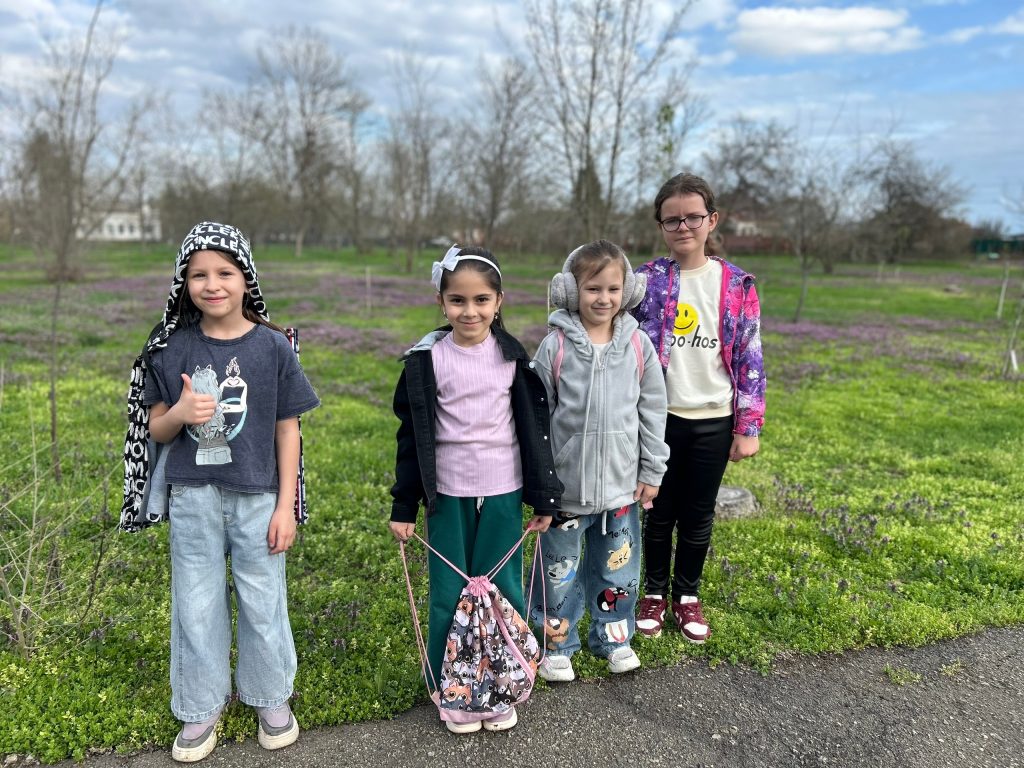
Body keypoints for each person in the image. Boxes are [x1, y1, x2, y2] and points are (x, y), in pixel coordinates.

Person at [125, 221, 319, 762]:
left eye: (225, 272)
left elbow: (288, 430)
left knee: (263, 597)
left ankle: (271, 697)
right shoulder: (170, 348)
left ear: (246, 277)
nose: (212, 284)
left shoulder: (273, 347)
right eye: (198, 275)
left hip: (259, 497)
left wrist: (286, 507)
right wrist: (181, 413)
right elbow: (155, 427)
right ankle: (200, 704)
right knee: (196, 601)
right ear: (182, 282)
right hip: (193, 496)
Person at [389, 245, 562, 735]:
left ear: (499, 301)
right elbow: (410, 438)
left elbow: (535, 433)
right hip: (447, 495)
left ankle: (502, 687)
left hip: (503, 491)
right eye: (458, 300)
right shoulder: (425, 361)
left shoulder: (513, 360)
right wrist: (404, 504)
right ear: (441, 302)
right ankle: (454, 692)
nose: (470, 311)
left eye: (482, 300)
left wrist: (544, 497)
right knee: (450, 592)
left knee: (503, 589)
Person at [631, 173, 765, 643]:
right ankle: (653, 592)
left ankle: (686, 596)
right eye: (672, 219)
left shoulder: (737, 284)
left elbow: (749, 356)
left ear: (712, 220)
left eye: (693, 217)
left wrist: (748, 425)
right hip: (659, 419)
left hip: (713, 418)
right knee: (658, 511)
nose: (683, 226)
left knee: (698, 514)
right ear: (661, 225)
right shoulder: (644, 281)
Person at [529, 240, 669, 682]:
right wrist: (541, 483)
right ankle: (557, 645)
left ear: (627, 291)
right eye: (592, 288)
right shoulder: (555, 347)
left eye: (612, 289)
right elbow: (537, 420)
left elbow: (653, 412)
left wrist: (652, 470)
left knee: (618, 571)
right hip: (565, 495)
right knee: (558, 575)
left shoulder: (638, 346)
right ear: (571, 291)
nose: (603, 298)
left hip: (621, 490)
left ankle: (614, 639)